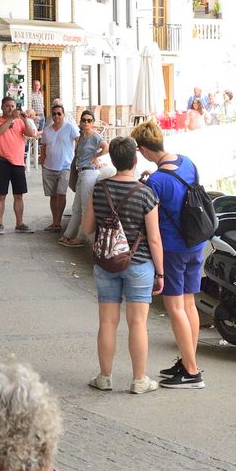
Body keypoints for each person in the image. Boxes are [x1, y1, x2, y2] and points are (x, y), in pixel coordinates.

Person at [83, 136, 163, 395]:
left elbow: (87, 229)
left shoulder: (100, 188)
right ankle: (139, 380)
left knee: (107, 322)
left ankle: (105, 377)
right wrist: (160, 273)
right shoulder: (145, 193)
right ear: (135, 159)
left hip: (106, 262)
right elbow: (154, 238)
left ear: (114, 160)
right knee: (137, 323)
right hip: (139, 264)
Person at [132, 120, 205, 391]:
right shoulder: (188, 163)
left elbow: (148, 215)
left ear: (142, 149)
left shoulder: (156, 181)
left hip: (172, 249)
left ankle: (192, 373)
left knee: (175, 309)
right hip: (196, 243)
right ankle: (188, 361)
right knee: (189, 304)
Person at [0, 96, 37, 233]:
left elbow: (30, 134)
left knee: (19, 195)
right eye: (7, 106)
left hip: (18, 162)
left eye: (12, 106)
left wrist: (25, 119)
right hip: (3, 161)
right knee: (1, 194)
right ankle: (0, 224)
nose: (10, 108)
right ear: (2, 107)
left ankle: (20, 223)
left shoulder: (20, 122)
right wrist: (11, 119)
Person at [61, 109, 108, 245]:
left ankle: (82, 237)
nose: (86, 122)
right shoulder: (81, 137)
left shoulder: (95, 136)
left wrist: (96, 157)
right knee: (76, 207)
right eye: (84, 120)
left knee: (84, 206)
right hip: (81, 172)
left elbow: (106, 147)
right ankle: (68, 235)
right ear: (80, 122)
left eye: (89, 120)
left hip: (89, 173)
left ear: (93, 123)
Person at [38, 100, 79, 232]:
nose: (56, 116)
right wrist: (42, 162)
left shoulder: (70, 127)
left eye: (59, 114)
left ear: (63, 115)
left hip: (65, 166)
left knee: (61, 193)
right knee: (52, 196)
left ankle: (58, 222)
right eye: (54, 114)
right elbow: (43, 147)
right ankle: (54, 221)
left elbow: (79, 141)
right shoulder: (47, 130)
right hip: (49, 167)